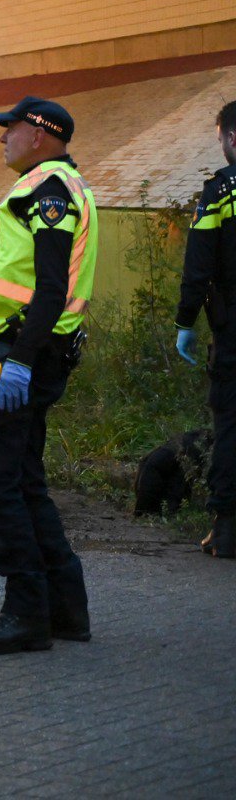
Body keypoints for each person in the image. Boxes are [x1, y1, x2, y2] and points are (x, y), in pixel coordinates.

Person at [0, 96, 97, 653]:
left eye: (8, 129)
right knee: (24, 483)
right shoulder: (55, 187)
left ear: (38, 135)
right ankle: (65, 608)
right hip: (28, 353)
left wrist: (17, 359)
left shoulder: (50, 192)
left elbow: (50, 288)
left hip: (18, 358)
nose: (2, 138)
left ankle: (26, 614)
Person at [173, 99, 236, 558]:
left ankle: (228, 529)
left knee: (231, 424)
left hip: (233, 333)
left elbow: (198, 268)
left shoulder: (220, 193)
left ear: (231, 138)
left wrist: (185, 323)